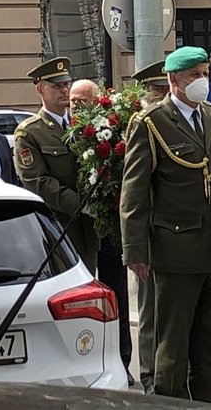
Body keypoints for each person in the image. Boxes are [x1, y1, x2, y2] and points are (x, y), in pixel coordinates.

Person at [120, 46, 211, 404]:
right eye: (194, 75)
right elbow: (135, 193)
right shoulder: (151, 122)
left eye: (205, 73)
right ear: (173, 80)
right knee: (171, 348)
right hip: (173, 251)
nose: (202, 81)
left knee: (210, 347)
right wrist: (136, 251)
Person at [67, 78, 135, 387]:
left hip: (108, 229)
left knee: (116, 297)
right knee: (78, 303)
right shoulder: (51, 132)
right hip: (73, 233)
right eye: (73, 101)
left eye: (84, 102)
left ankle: (121, 361)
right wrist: (84, 206)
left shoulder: (112, 129)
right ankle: (79, 363)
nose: (77, 107)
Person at [14, 57, 99, 272]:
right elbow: (38, 182)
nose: (64, 90)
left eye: (66, 84)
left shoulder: (83, 125)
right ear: (40, 90)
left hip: (89, 228)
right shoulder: (30, 132)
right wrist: (82, 205)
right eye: (57, 86)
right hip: (59, 227)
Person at [127, 59, 169, 395]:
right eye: (156, 91)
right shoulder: (140, 125)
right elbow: (135, 190)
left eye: (163, 90)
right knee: (151, 309)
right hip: (151, 231)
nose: (160, 96)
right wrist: (136, 246)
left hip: (179, 235)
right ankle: (151, 374)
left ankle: (172, 372)